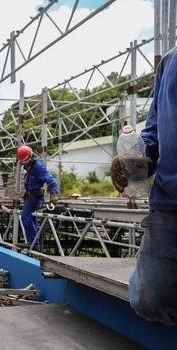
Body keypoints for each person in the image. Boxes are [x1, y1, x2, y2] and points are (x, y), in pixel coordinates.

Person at [111, 48, 177, 325]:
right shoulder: (170, 62)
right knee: (150, 300)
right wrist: (137, 157)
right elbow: (154, 130)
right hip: (170, 201)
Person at [16, 145, 59, 247]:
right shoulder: (30, 165)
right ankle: (35, 242)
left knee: (25, 218)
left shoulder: (38, 167)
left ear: (31, 156)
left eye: (25, 161)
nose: (24, 163)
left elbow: (52, 181)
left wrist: (53, 194)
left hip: (35, 197)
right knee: (31, 218)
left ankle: (33, 242)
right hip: (30, 195)